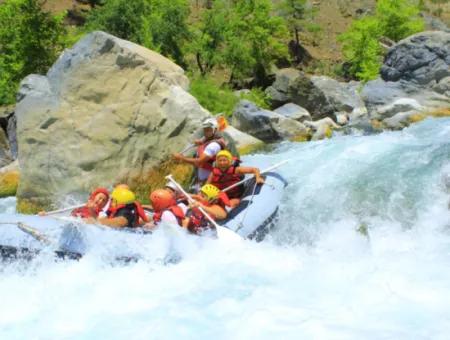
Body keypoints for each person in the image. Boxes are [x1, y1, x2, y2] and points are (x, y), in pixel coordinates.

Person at [173, 118, 226, 186]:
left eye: (208, 129)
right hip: (201, 179)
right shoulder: (209, 137)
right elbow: (204, 140)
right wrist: (200, 142)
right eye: (205, 130)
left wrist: (181, 158)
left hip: (209, 181)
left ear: (215, 130)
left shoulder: (214, 145)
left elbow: (199, 162)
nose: (206, 132)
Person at [38, 187, 110, 219]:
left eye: (104, 201)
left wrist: (92, 211)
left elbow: (97, 222)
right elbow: (64, 214)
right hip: (72, 221)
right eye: (100, 198)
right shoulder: (82, 205)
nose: (100, 201)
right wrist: (47, 215)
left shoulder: (101, 214)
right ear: (94, 197)